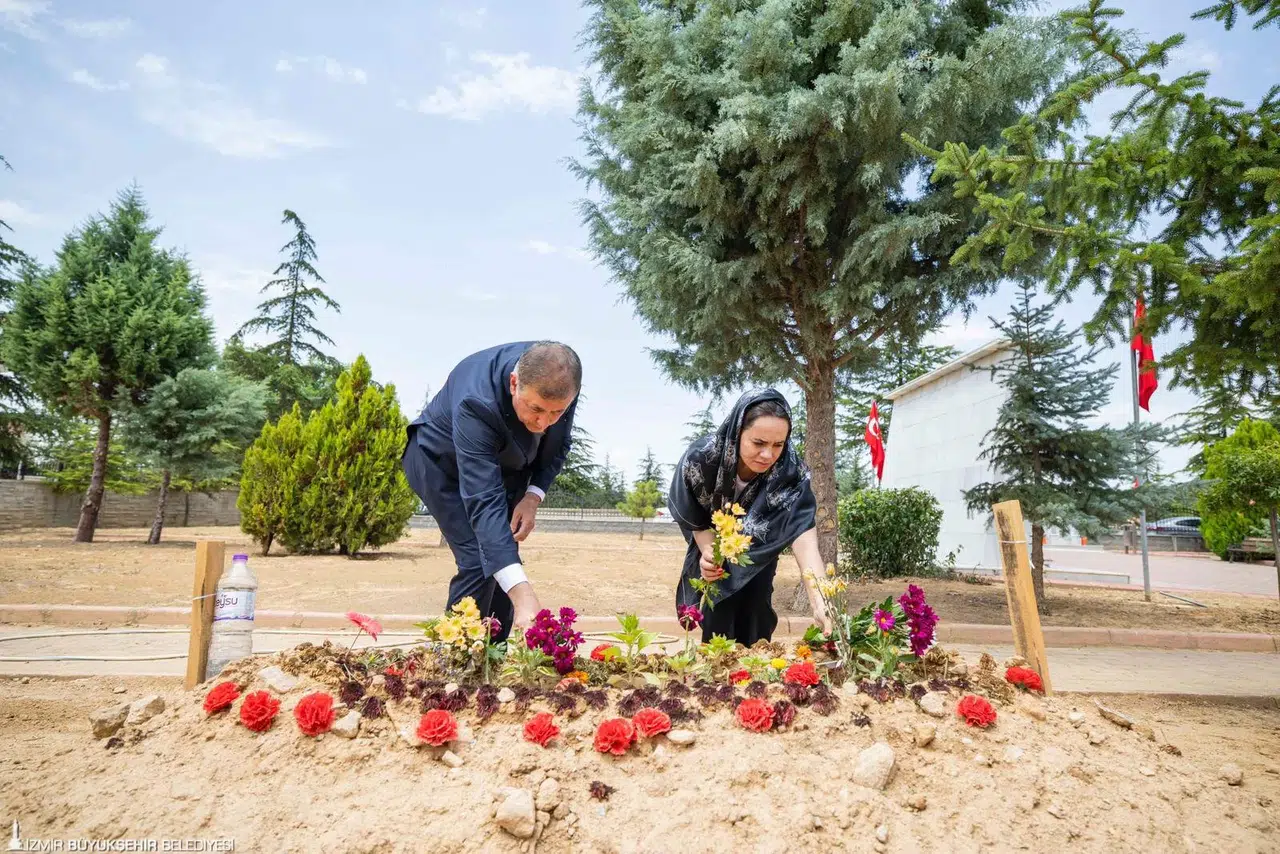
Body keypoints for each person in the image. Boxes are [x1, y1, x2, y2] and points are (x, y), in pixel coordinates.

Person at [402, 341, 580, 642]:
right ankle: (456, 665)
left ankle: (493, 659)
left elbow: (557, 445)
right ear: (514, 383)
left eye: (555, 413)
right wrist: (525, 599)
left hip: (504, 464)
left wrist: (532, 496)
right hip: (440, 463)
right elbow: (483, 503)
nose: (543, 423)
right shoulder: (476, 400)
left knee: (504, 553)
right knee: (478, 557)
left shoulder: (562, 379)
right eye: (536, 409)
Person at [668, 388, 832, 647]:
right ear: (738, 432)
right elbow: (695, 518)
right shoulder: (701, 459)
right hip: (716, 542)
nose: (768, 455)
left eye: (778, 445)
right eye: (758, 443)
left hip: (759, 548)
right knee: (718, 613)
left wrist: (820, 599)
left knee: (757, 610)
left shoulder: (790, 472)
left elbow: (804, 537)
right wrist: (709, 554)